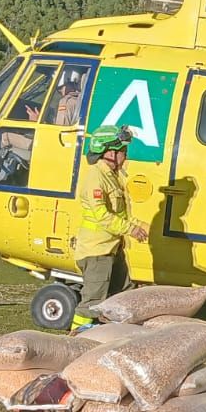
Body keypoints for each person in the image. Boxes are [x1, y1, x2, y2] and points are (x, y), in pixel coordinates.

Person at [71, 125, 148, 329]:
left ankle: (117, 336)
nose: (126, 155)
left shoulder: (112, 176)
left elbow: (121, 214)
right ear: (110, 153)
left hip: (111, 248)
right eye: (123, 151)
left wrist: (143, 226)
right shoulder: (96, 177)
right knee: (93, 303)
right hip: (97, 252)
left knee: (124, 294)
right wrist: (131, 230)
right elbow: (103, 216)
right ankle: (73, 340)